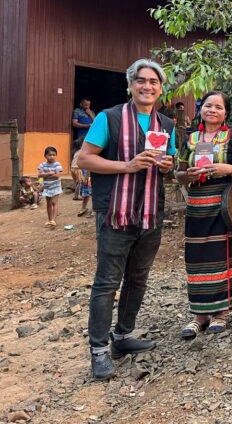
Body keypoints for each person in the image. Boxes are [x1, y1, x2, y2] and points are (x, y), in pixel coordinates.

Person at [78, 59, 176, 380]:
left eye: (153, 82)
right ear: (131, 85)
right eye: (141, 81)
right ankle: (98, 350)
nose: (147, 86)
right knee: (107, 282)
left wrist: (167, 166)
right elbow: (83, 159)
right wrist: (127, 165)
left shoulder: (166, 124)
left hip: (150, 213)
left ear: (160, 89)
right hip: (115, 212)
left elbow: (170, 163)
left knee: (138, 278)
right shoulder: (109, 118)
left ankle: (122, 336)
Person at [175, 91, 232, 337]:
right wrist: (187, 175)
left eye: (218, 107)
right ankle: (199, 315)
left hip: (226, 204)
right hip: (197, 205)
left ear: (225, 113)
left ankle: (221, 313)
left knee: (222, 255)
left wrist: (225, 168)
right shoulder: (190, 139)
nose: (212, 110)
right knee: (197, 256)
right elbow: (179, 173)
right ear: (201, 109)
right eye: (208, 105)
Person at [38, 146, 63, 228]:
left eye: (54, 155)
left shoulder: (57, 164)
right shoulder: (42, 165)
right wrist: (49, 174)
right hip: (47, 187)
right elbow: (39, 175)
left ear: (56, 156)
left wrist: (44, 175)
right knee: (48, 204)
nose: (52, 156)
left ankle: (53, 220)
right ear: (45, 156)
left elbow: (57, 176)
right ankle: (50, 220)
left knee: (54, 203)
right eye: (49, 155)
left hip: (56, 186)